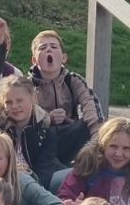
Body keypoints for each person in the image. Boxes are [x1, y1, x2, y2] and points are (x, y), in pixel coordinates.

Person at [28, 30, 104, 166]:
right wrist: (48, 118)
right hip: (42, 138)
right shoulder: (28, 85)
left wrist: (97, 135)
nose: (49, 50)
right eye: (43, 48)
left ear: (63, 58)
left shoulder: (73, 80)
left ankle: (91, 159)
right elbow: (26, 114)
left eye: (54, 47)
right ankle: (57, 168)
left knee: (90, 122)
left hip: (70, 134)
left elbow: (89, 102)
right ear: (34, 60)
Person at [0, 75, 58, 187]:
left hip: (31, 184)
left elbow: (44, 169)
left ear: (33, 98)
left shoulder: (45, 130)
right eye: (8, 102)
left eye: (20, 100)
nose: (15, 106)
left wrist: (32, 190)